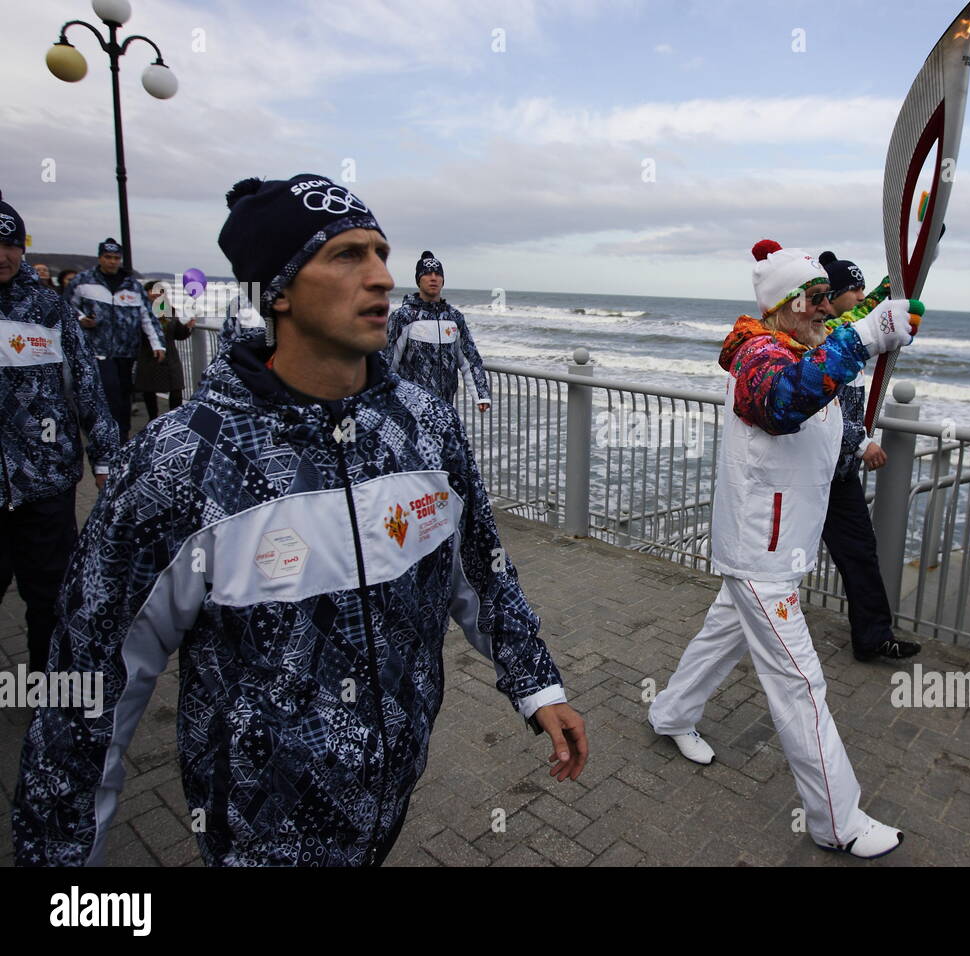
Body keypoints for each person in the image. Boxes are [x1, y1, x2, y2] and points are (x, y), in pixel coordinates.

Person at [13, 173, 587, 867]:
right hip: (256, 837)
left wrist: (535, 684)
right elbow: (86, 696)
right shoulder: (180, 463)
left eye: (381, 253)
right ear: (276, 291)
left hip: (392, 801)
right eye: (346, 255)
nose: (381, 277)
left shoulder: (426, 429)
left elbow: (482, 567)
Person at [648, 239, 921, 859]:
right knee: (800, 684)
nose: (828, 309)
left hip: (777, 546)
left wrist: (887, 308)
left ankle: (669, 715)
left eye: (829, 297)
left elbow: (847, 332)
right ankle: (837, 821)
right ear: (787, 304)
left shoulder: (804, 342)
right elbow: (782, 402)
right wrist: (865, 338)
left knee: (723, 634)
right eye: (817, 299)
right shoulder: (759, 356)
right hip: (761, 552)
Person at [0, 191, 118, 672]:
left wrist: (106, 461)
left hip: (46, 482)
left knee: (50, 594)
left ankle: (47, 690)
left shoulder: (47, 310)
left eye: (9, 244)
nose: (2, 255)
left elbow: (88, 388)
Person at [816, 250, 920, 662]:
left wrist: (918, 252)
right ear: (833, 295)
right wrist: (862, 443)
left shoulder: (850, 326)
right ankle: (750, 621)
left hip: (838, 475)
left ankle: (874, 636)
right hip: (809, 472)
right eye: (852, 290)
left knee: (859, 550)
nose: (861, 296)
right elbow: (829, 405)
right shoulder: (828, 333)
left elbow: (877, 300)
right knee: (787, 559)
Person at [65, 238, 165, 442]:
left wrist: (158, 344)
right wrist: (82, 319)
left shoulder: (132, 286)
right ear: (100, 258)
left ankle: (122, 433)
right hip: (97, 349)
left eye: (116, 258)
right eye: (108, 257)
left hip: (127, 351)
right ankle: (107, 432)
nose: (112, 262)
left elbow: (147, 316)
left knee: (124, 394)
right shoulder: (83, 281)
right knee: (108, 391)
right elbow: (65, 306)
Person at [384, 251, 491, 412]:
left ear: (442, 280)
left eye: (437, 274)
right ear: (419, 280)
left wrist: (481, 394)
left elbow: (469, 358)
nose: (433, 278)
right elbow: (388, 360)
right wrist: (383, 401)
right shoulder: (403, 317)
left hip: (445, 408)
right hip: (411, 409)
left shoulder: (454, 317)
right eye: (427, 274)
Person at [133, 279, 195, 419]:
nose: (157, 294)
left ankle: (175, 420)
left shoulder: (169, 310)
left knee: (176, 389)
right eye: (153, 291)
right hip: (148, 355)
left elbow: (178, 334)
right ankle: (153, 420)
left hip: (170, 356)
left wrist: (188, 326)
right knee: (149, 391)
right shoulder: (139, 311)